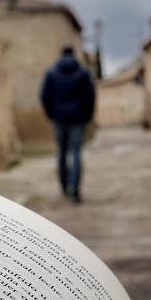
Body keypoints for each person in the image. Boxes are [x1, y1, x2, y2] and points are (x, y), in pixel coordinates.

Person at [39, 45, 95, 203]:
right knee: (76, 152)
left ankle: (64, 186)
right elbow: (90, 96)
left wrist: (52, 114)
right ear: (74, 54)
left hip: (60, 119)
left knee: (62, 152)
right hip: (78, 119)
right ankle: (76, 189)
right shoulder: (83, 73)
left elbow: (44, 96)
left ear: (61, 54)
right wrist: (87, 116)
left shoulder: (52, 73)